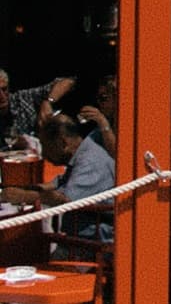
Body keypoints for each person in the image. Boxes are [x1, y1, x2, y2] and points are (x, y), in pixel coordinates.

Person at [9, 112, 115, 241]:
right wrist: (34, 188)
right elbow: (63, 182)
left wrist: (23, 196)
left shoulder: (90, 161)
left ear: (63, 143)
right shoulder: (82, 154)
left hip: (93, 242)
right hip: (78, 237)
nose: (44, 154)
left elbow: (64, 199)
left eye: (46, 146)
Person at [0, 69, 75, 146]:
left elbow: (68, 82)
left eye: (4, 89)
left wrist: (48, 101)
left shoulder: (22, 98)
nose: (2, 96)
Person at [77, 74, 117, 160]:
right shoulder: (100, 126)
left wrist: (103, 122)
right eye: (97, 99)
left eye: (103, 98)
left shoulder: (127, 122)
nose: (99, 103)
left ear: (116, 99)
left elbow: (118, 155)